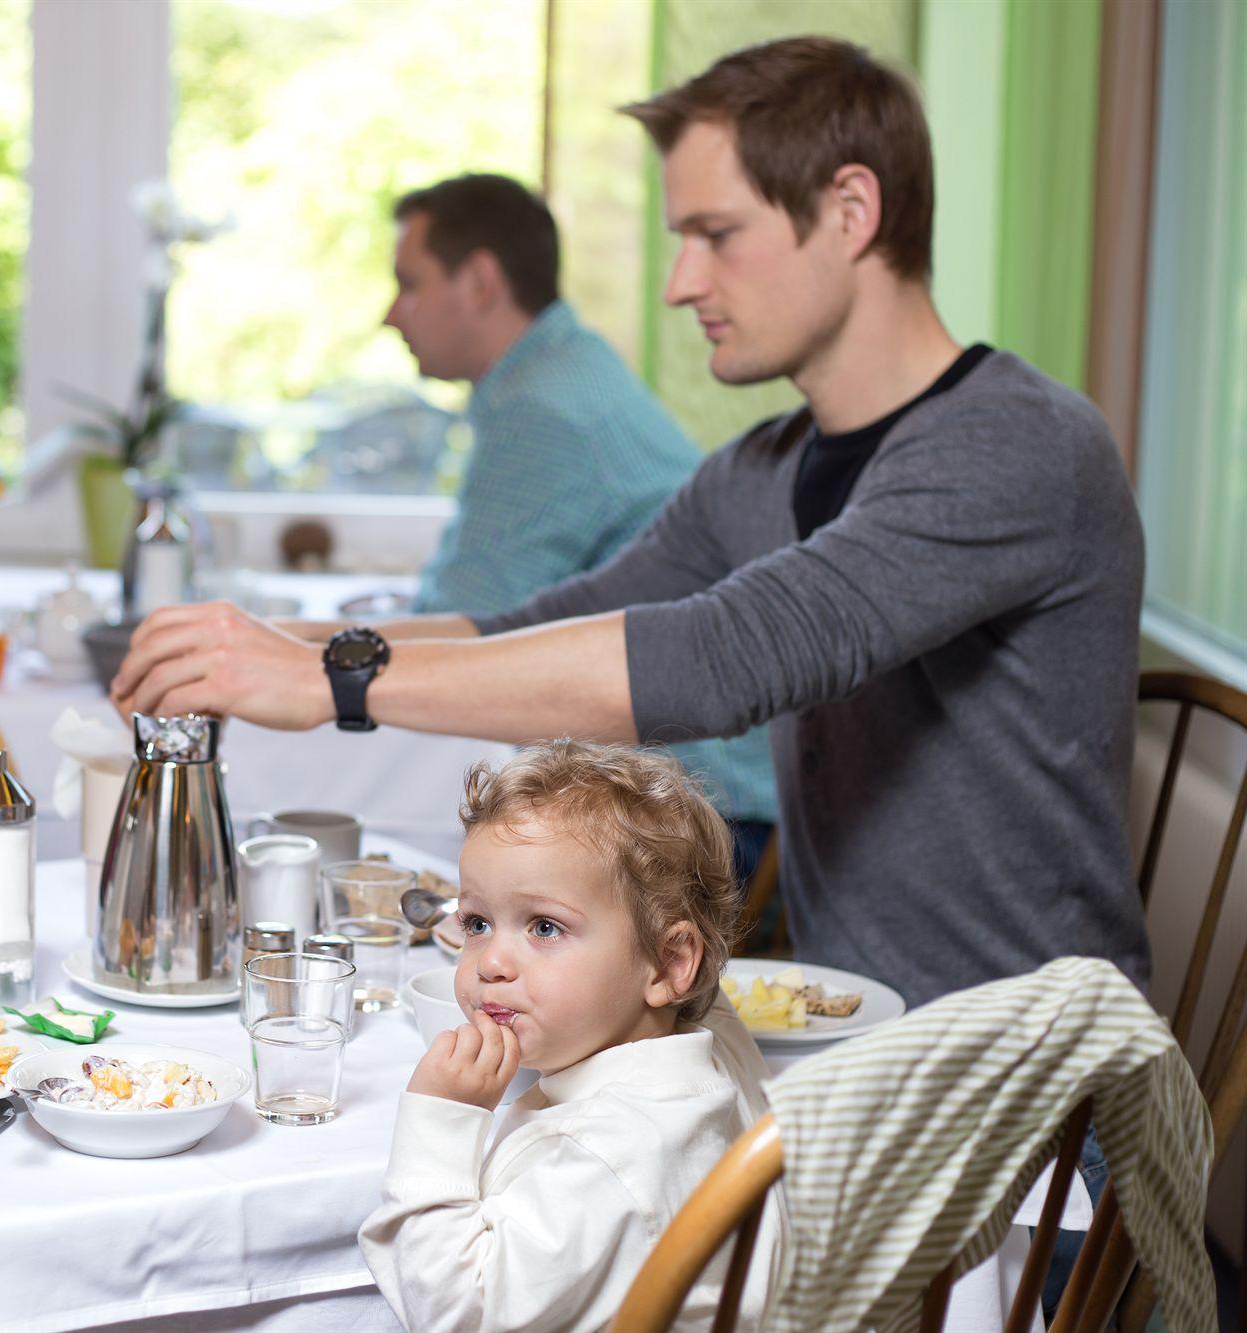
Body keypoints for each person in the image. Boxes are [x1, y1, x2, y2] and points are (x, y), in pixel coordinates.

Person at [113, 36, 1149, 1013]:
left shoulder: (1014, 446)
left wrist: (329, 685)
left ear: (848, 210)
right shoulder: (761, 468)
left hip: (1030, 1105)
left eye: (715, 235)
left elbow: (719, 660)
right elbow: (542, 619)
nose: (678, 284)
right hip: (845, 1041)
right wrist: (279, 647)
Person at [384, 172, 777, 874]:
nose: (392, 313)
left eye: (409, 283)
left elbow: (459, 627)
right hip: (713, 794)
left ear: (479, 281)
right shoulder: (569, 371)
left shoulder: (546, 409)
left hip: (691, 823)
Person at [359, 741, 780, 1329]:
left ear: (667, 965)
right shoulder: (700, 1031)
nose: (491, 963)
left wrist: (441, 1118)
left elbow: (458, 1315)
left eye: (545, 927)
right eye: (477, 923)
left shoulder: (604, 1157)